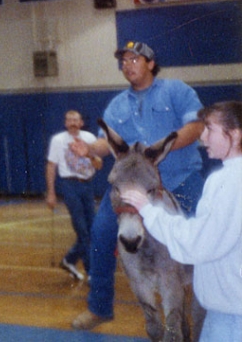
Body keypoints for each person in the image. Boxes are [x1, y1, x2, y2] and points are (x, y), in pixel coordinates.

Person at [70, 41, 205, 331]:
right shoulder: (117, 104)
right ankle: (100, 307)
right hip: (130, 185)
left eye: (134, 59)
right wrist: (89, 149)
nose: (127, 64)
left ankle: (206, 307)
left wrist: (156, 154)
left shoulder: (178, 91)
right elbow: (105, 142)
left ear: (151, 64)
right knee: (102, 232)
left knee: (206, 231)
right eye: (124, 61)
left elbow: (195, 127)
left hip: (181, 177)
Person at [120, 100, 242, 342]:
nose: (203, 138)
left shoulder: (229, 181)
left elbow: (196, 244)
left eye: (210, 129)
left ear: (235, 134)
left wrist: (148, 210)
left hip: (230, 320)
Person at [44, 110, 102, 281]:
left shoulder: (90, 138)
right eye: (69, 120)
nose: (72, 123)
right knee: (82, 231)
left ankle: (69, 260)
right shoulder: (58, 140)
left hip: (87, 185)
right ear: (65, 123)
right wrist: (51, 193)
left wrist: (89, 154)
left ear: (81, 122)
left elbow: (99, 164)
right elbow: (51, 166)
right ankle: (91, 272)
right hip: (70, 186)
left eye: (75, 119)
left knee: (92, 231)